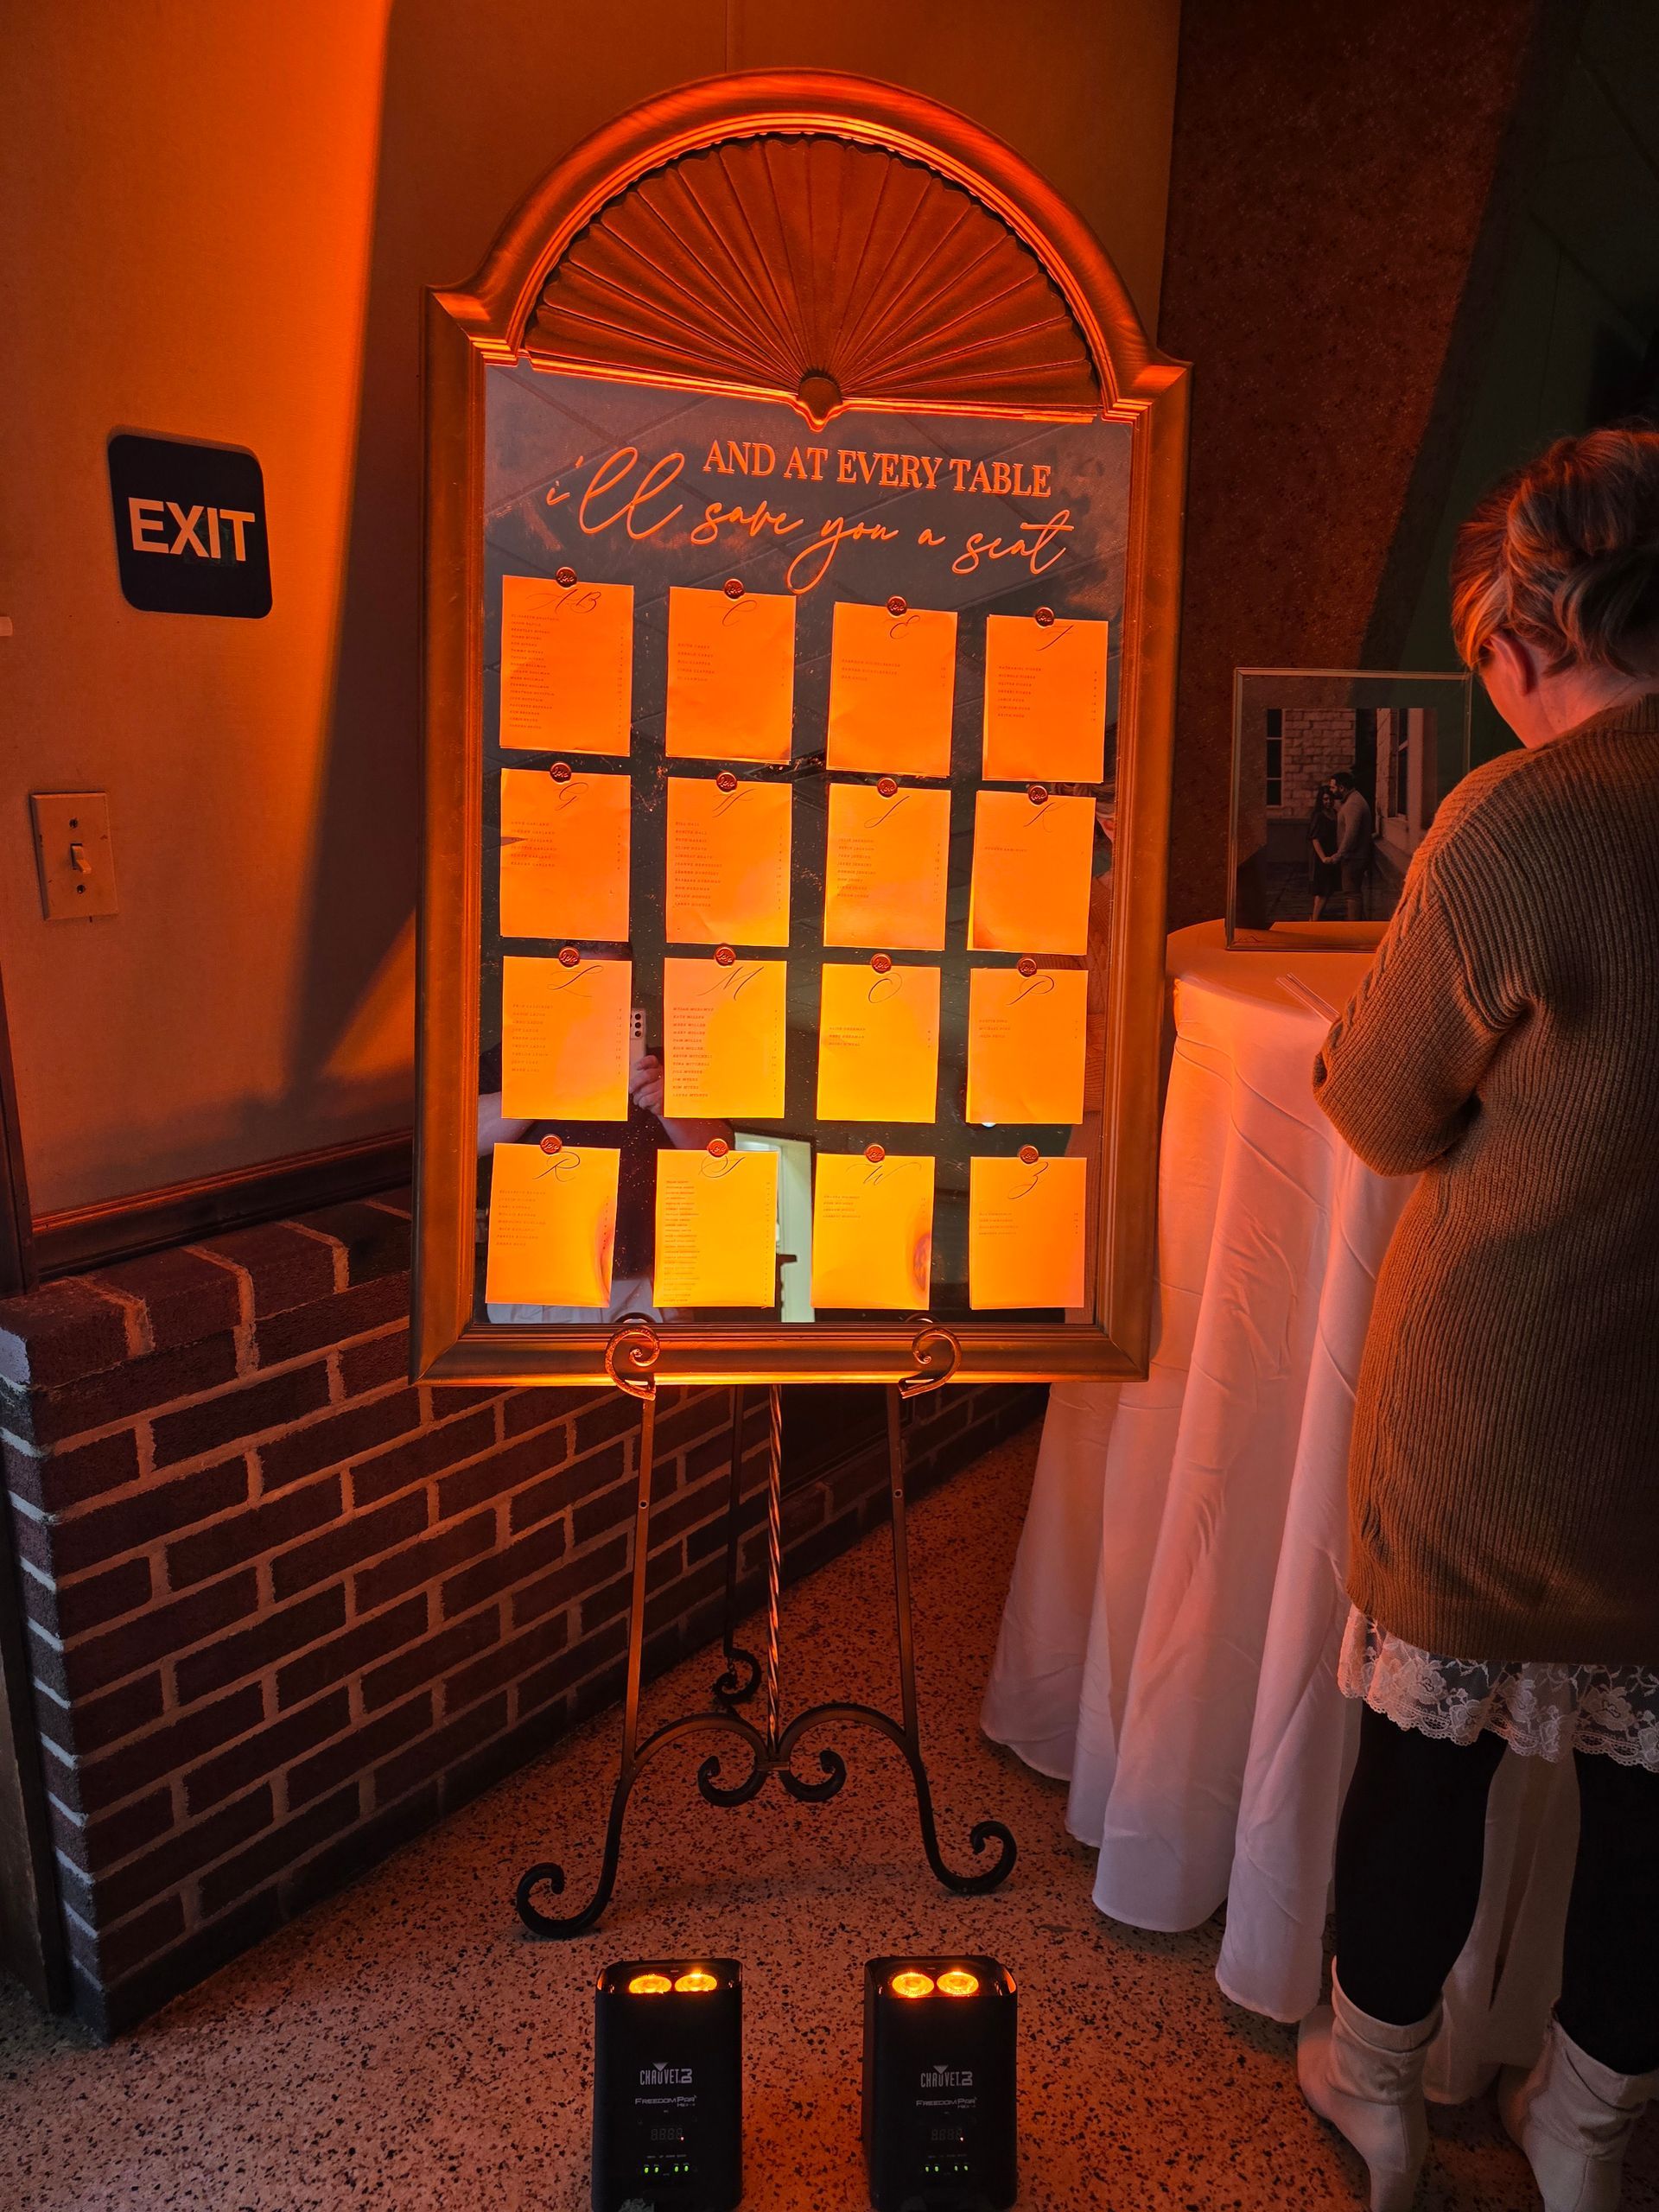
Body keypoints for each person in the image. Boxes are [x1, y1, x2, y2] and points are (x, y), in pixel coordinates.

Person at [1295, 428, 1659, 2212]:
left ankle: (1375, 2088)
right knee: (1656, 1813)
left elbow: (1381, 1108)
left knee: (1422, 1769)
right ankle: (1588, 2122)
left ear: (1526, 634)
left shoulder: (1518, 820)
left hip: (1502, 1402)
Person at [1329, 768, 1374, 920]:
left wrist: (1339, 855)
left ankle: (1353, 926)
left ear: (1342, 787)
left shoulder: (1353, 804)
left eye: (1333, 787)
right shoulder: (1352, 800)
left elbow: (1351, 834)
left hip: (1353, 858)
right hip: (1354, 856)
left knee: (1352, 895)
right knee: (1353, 894)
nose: (1331, 791)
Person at [1307, 781, 1343, 918]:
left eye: (1330, 799)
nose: (1328, 802)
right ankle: (1314, 921)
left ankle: (1315, 918)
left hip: (1332, 854)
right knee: (1323, 891)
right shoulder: (1319, 816)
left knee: (1328, 890)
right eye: (1325, 799)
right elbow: (1315, 839)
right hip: (1321, 857)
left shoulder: (1335, 813)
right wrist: (1323, 858)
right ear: (1320, 800)